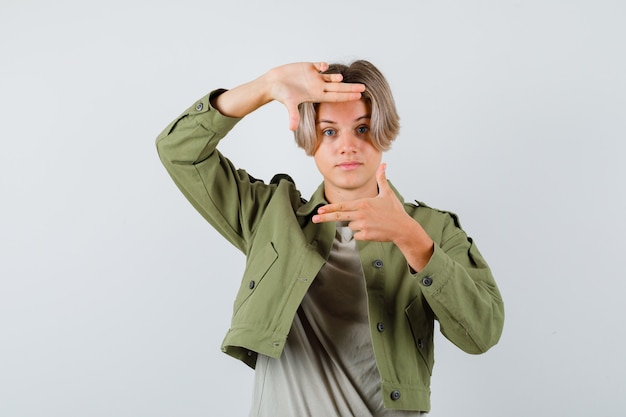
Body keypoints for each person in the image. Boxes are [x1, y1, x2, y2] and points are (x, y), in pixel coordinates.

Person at [156, 60, 504, 416]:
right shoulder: (271, 216)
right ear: (310, 139)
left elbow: (482, 333)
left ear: (383, 131)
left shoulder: (432, 229)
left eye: (363, 128)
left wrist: (410, 238)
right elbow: (179, 152)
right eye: (329, 131)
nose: (347, 146)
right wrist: (266, 86)